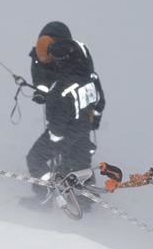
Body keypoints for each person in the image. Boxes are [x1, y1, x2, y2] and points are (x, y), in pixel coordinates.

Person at [22, 22, 105, 209]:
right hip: (85, 123)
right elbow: (100, 100)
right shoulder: (87, 74)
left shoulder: (62, 90)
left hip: (68, 128)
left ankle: (45, 198)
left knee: (35, 158)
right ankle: (84, 202)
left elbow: (59, 119)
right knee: (80, 161)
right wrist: (94, 119)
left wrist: (55, 138)